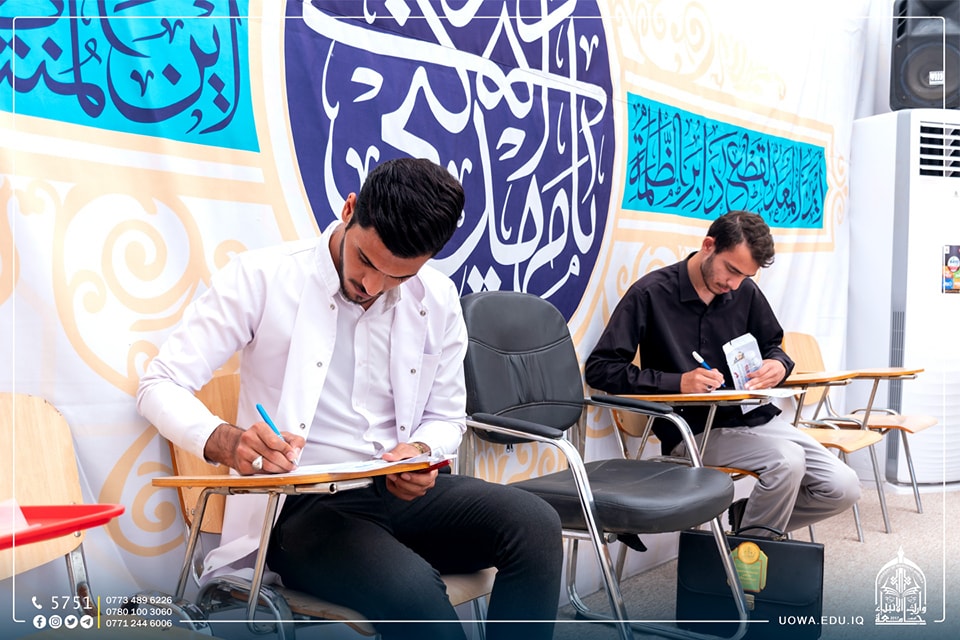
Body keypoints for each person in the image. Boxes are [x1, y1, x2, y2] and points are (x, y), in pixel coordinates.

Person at [137, 157, 562, 639]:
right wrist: (226, 441)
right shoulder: (263, 276)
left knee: (536, 525)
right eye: (366, 260)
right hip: (303, 509)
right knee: (414, 595)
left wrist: (421, 451)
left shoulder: (437, 297)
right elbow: (159, 384)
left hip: (397, 494)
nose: (372, 287)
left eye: (398, 277)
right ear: (349, 209)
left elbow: (446, 417)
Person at [584, 210, 860, 536]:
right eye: (731, 270)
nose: (733, 285)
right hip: (693, 432)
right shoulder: (651, 294)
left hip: (757, 420)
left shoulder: (744, 291)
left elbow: (774, 346)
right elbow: (601, 368)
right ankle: (748, 557)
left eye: (745, 276)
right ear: (708, 246)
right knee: (786, 461)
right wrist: (677, 382)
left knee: (843, 486)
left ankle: (747, 521)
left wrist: (778, 365)